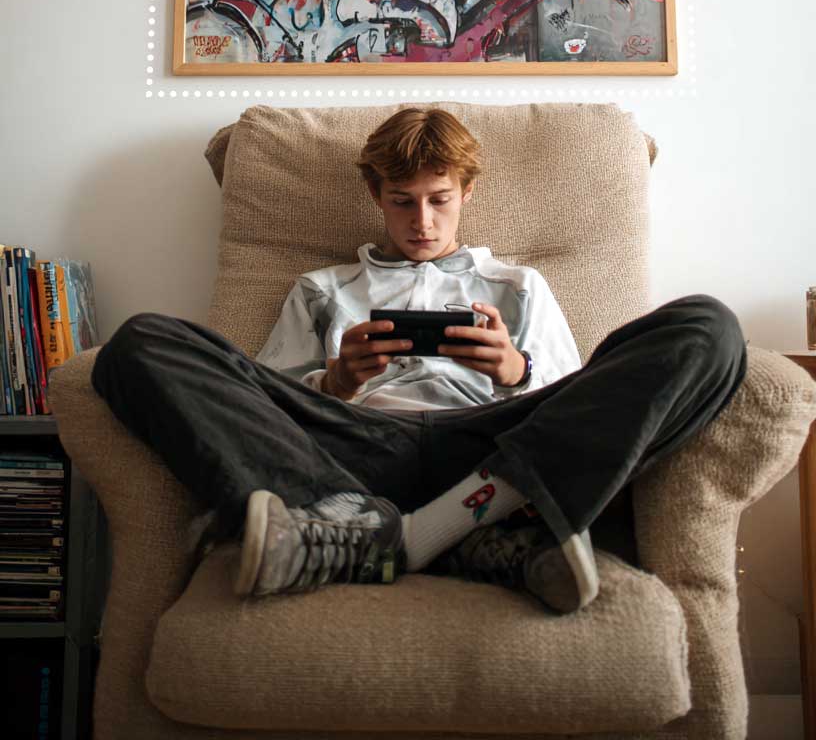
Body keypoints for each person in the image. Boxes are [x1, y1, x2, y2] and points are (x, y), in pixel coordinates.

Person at [91, 108, 746, 615]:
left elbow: (580, 400)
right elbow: (263, 407)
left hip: (496, 448)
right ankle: (456, 540)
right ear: (376, 194)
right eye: (402, 200)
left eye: (439, 198)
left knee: (707, 329)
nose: (422, 221)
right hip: (347, 456)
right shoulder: (323, 290)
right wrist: (336, 381)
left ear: (466, 191)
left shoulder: (519, 287)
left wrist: (516, 372)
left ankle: (437, 528)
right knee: (138, 344)